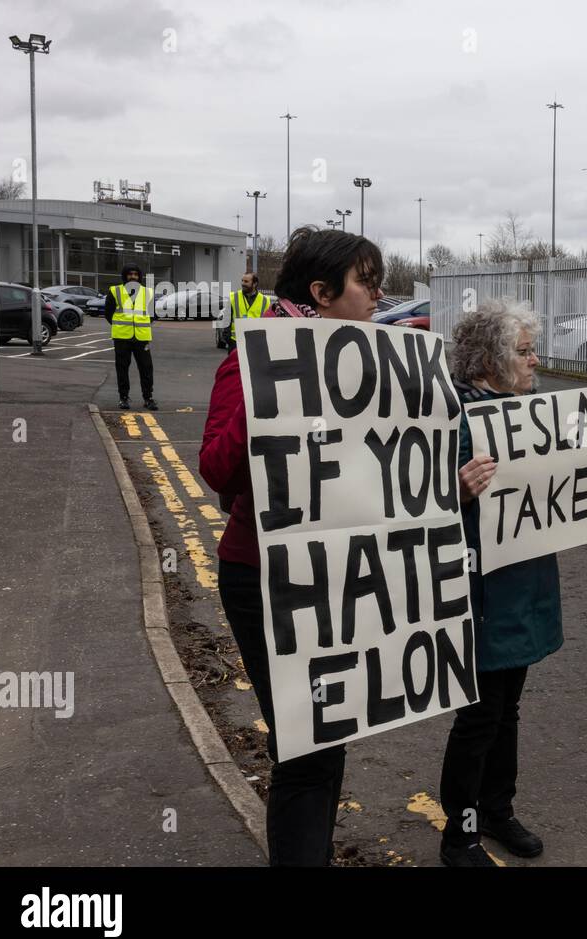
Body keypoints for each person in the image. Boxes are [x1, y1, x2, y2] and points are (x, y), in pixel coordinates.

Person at [199, 227, 382, 865]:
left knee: (330, 735)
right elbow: (216, 469)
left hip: (334, 573)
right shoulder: (253, 358)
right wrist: (273, 390)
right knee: (306, 747)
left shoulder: (362, 360)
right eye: (367, 281)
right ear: (322, 292)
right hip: (268, 578)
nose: (379, 296)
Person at [439, 299, 565, 865]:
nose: (535, 359)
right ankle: (459, 831)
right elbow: (407, 496)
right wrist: (456, 489)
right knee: (480, 714)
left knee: (507, 708)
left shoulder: (531, 409)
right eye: (524, 350)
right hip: (480, 587)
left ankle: (498, 810)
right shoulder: (453, 413)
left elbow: (576, 478)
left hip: (524, 582)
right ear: (490, 358)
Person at [105, 262, 157, 411]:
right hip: (122, 337)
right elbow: (108, 313)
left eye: (135, 274)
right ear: (125, 276)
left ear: (139, 276)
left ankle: (148, 398)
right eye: (130, 274)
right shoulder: (115, 291)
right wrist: (119, 325)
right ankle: (123, 398)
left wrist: (143, 323)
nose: (133, 277)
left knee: (146, 368)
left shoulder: (148, 292)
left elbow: (153, 314)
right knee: (122, 368)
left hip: (141, 337)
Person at [225, 271, 272, 351]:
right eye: (242, 280)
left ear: (255, 284)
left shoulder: (265, 301)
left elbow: (268, 323)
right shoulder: (233, 297)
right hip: (236, 343)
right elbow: (225, 321)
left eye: (246, 281)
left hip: (257, 343)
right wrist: (229, 340)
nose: (243, 283)